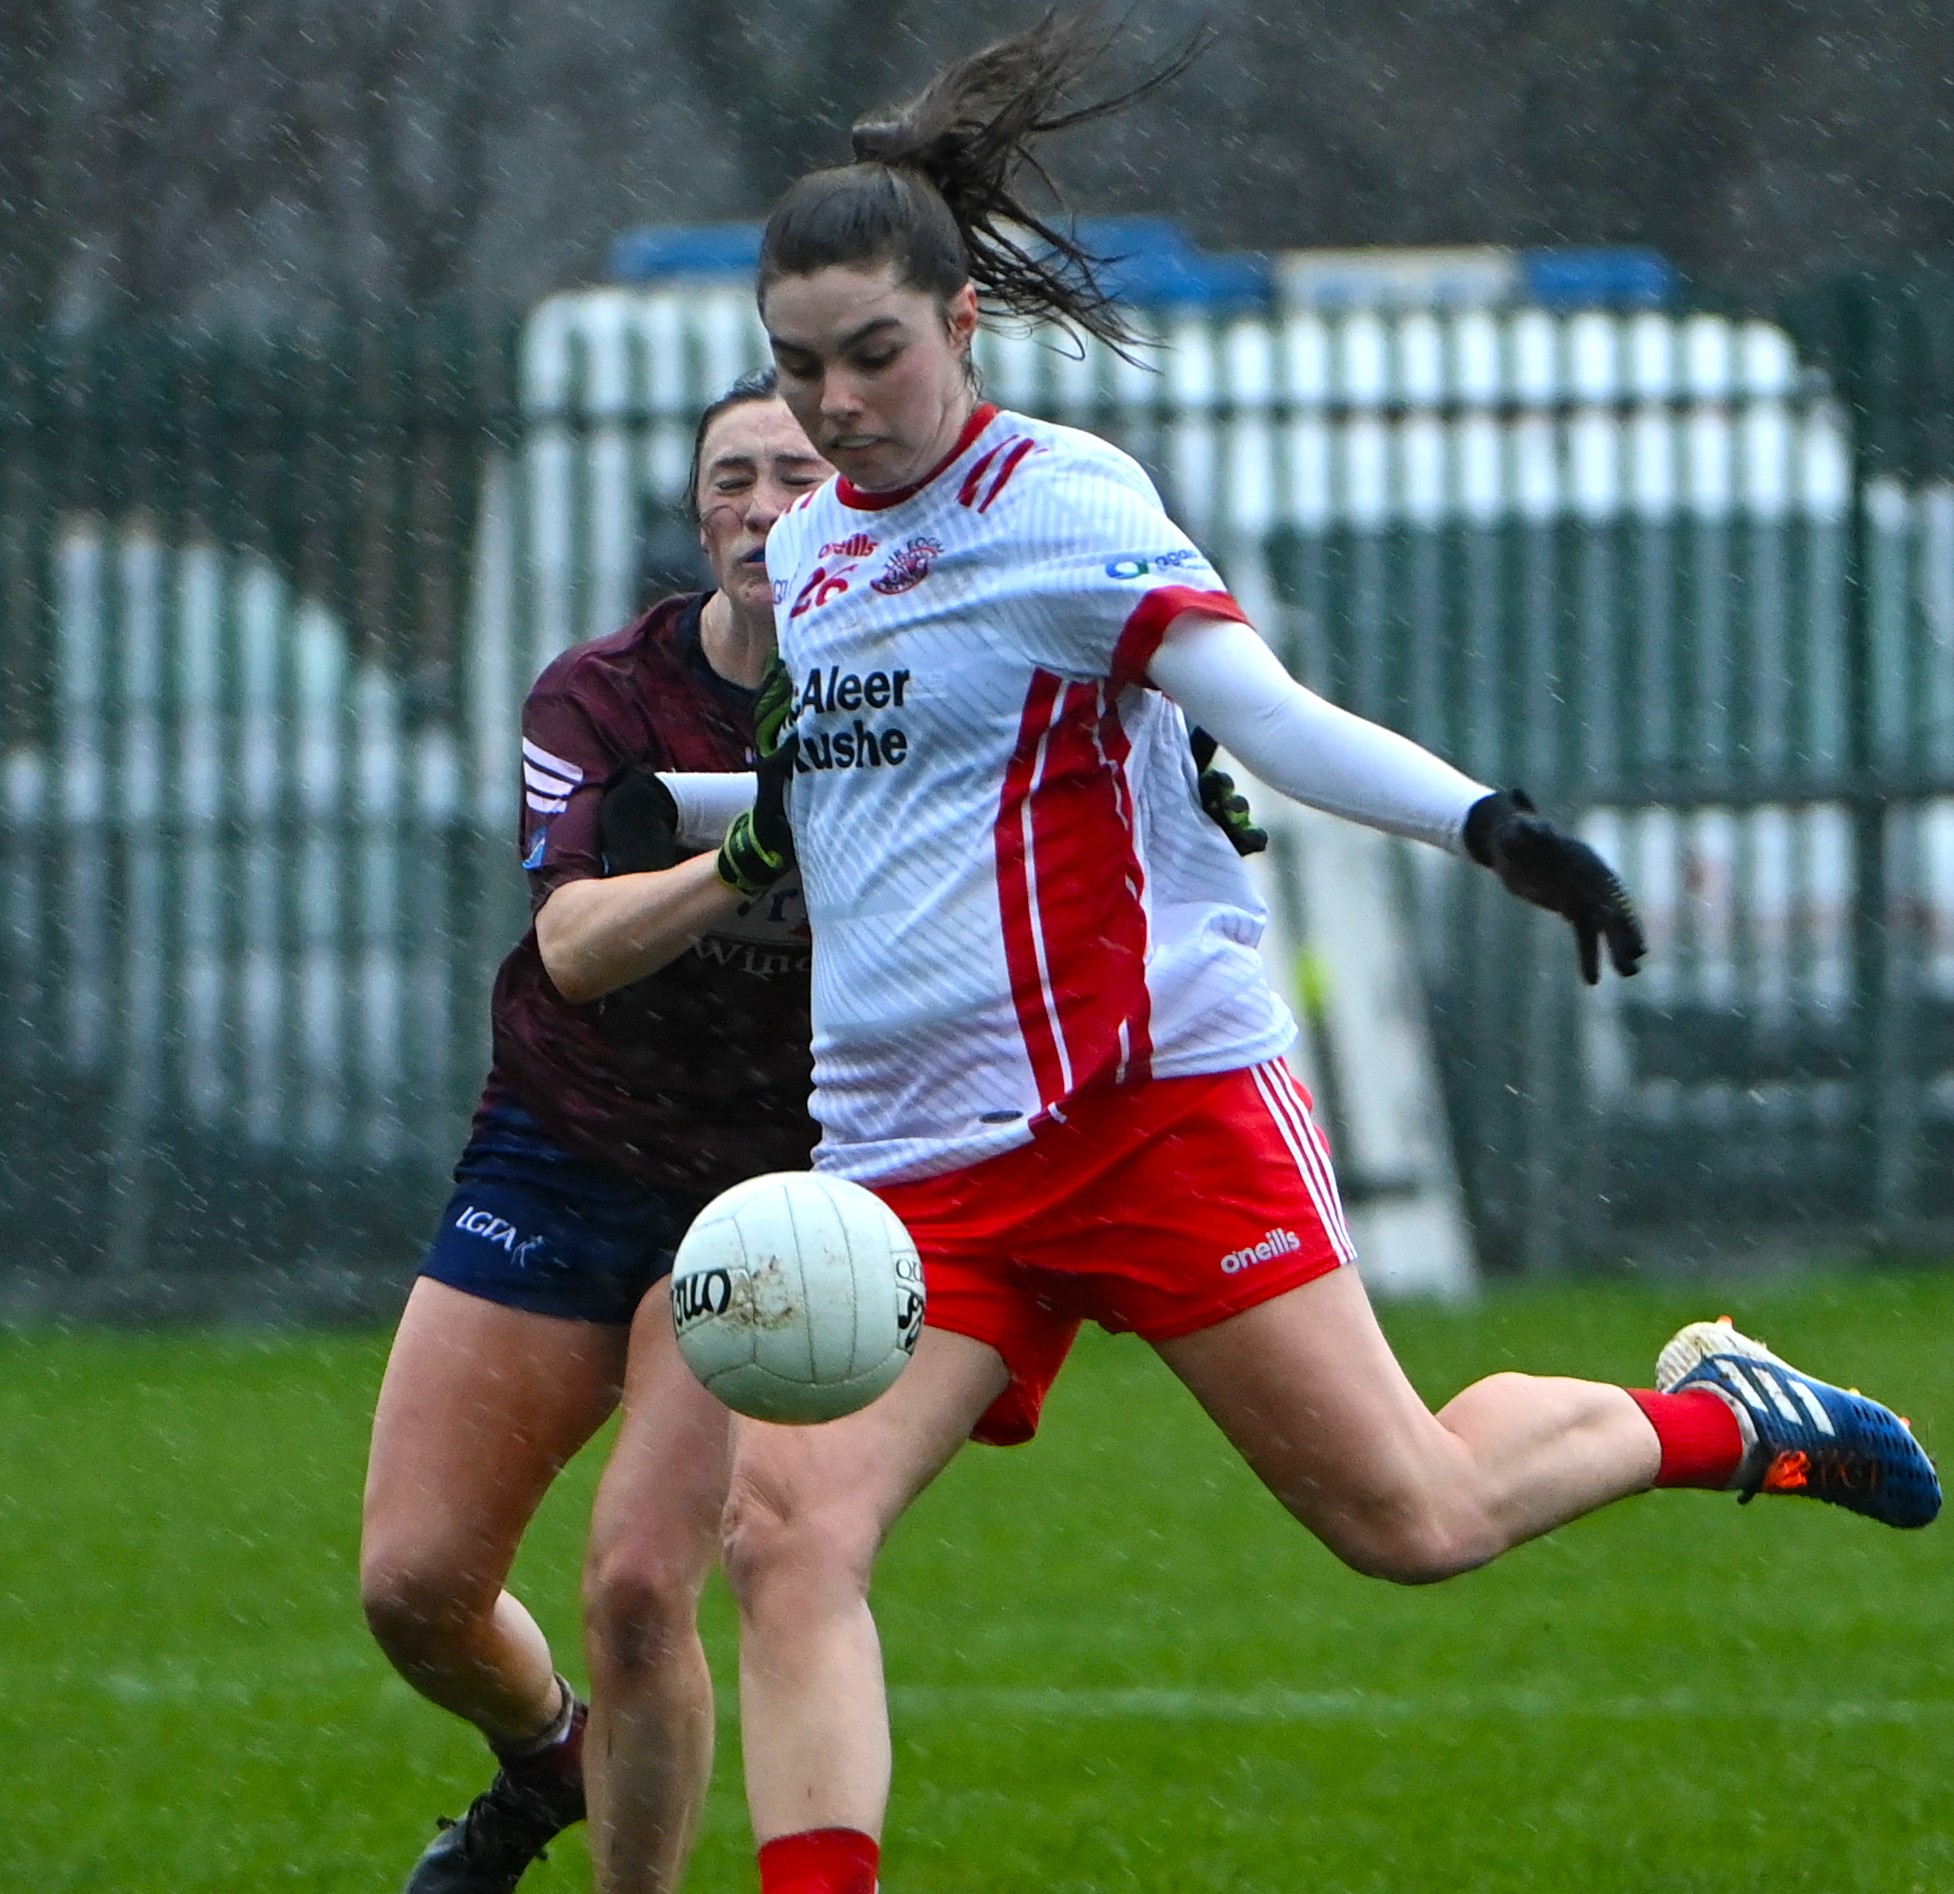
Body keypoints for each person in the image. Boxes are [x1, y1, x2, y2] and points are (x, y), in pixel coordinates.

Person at [713, 19, 1946, 1894]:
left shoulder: (1063, 504)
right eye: (802, 368)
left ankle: (1721, 1420)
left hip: (1147, 1104)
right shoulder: (807, 555)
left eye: (874, 354)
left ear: (962, 322)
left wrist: (1490, 825)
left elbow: (1264, 716)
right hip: (906, 1156)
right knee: (785, 1533)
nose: (841, 399)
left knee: (1414, 1518)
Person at [359, 371, 831, 1894]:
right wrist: (747, 852)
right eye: (733, 479)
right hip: (562, 1145)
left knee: (640, 1585)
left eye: (797, 475)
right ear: (696, 512)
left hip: (763, 1193)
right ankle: (545, 1753)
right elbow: (570, 945)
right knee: (417, 1585)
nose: (763, 507)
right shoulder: (603, 694)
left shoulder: (914, 690)